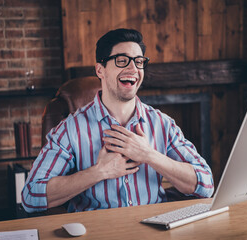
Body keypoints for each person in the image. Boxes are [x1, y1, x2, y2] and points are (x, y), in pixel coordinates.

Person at [22, 28, 214, 213]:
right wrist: (99, 172)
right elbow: (31, 196)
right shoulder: (70, 129)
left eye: (139, 62)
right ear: (100, 70)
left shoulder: (163, 124)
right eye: (122, 61)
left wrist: (149, 155)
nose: (133, 68)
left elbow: (206, 184)